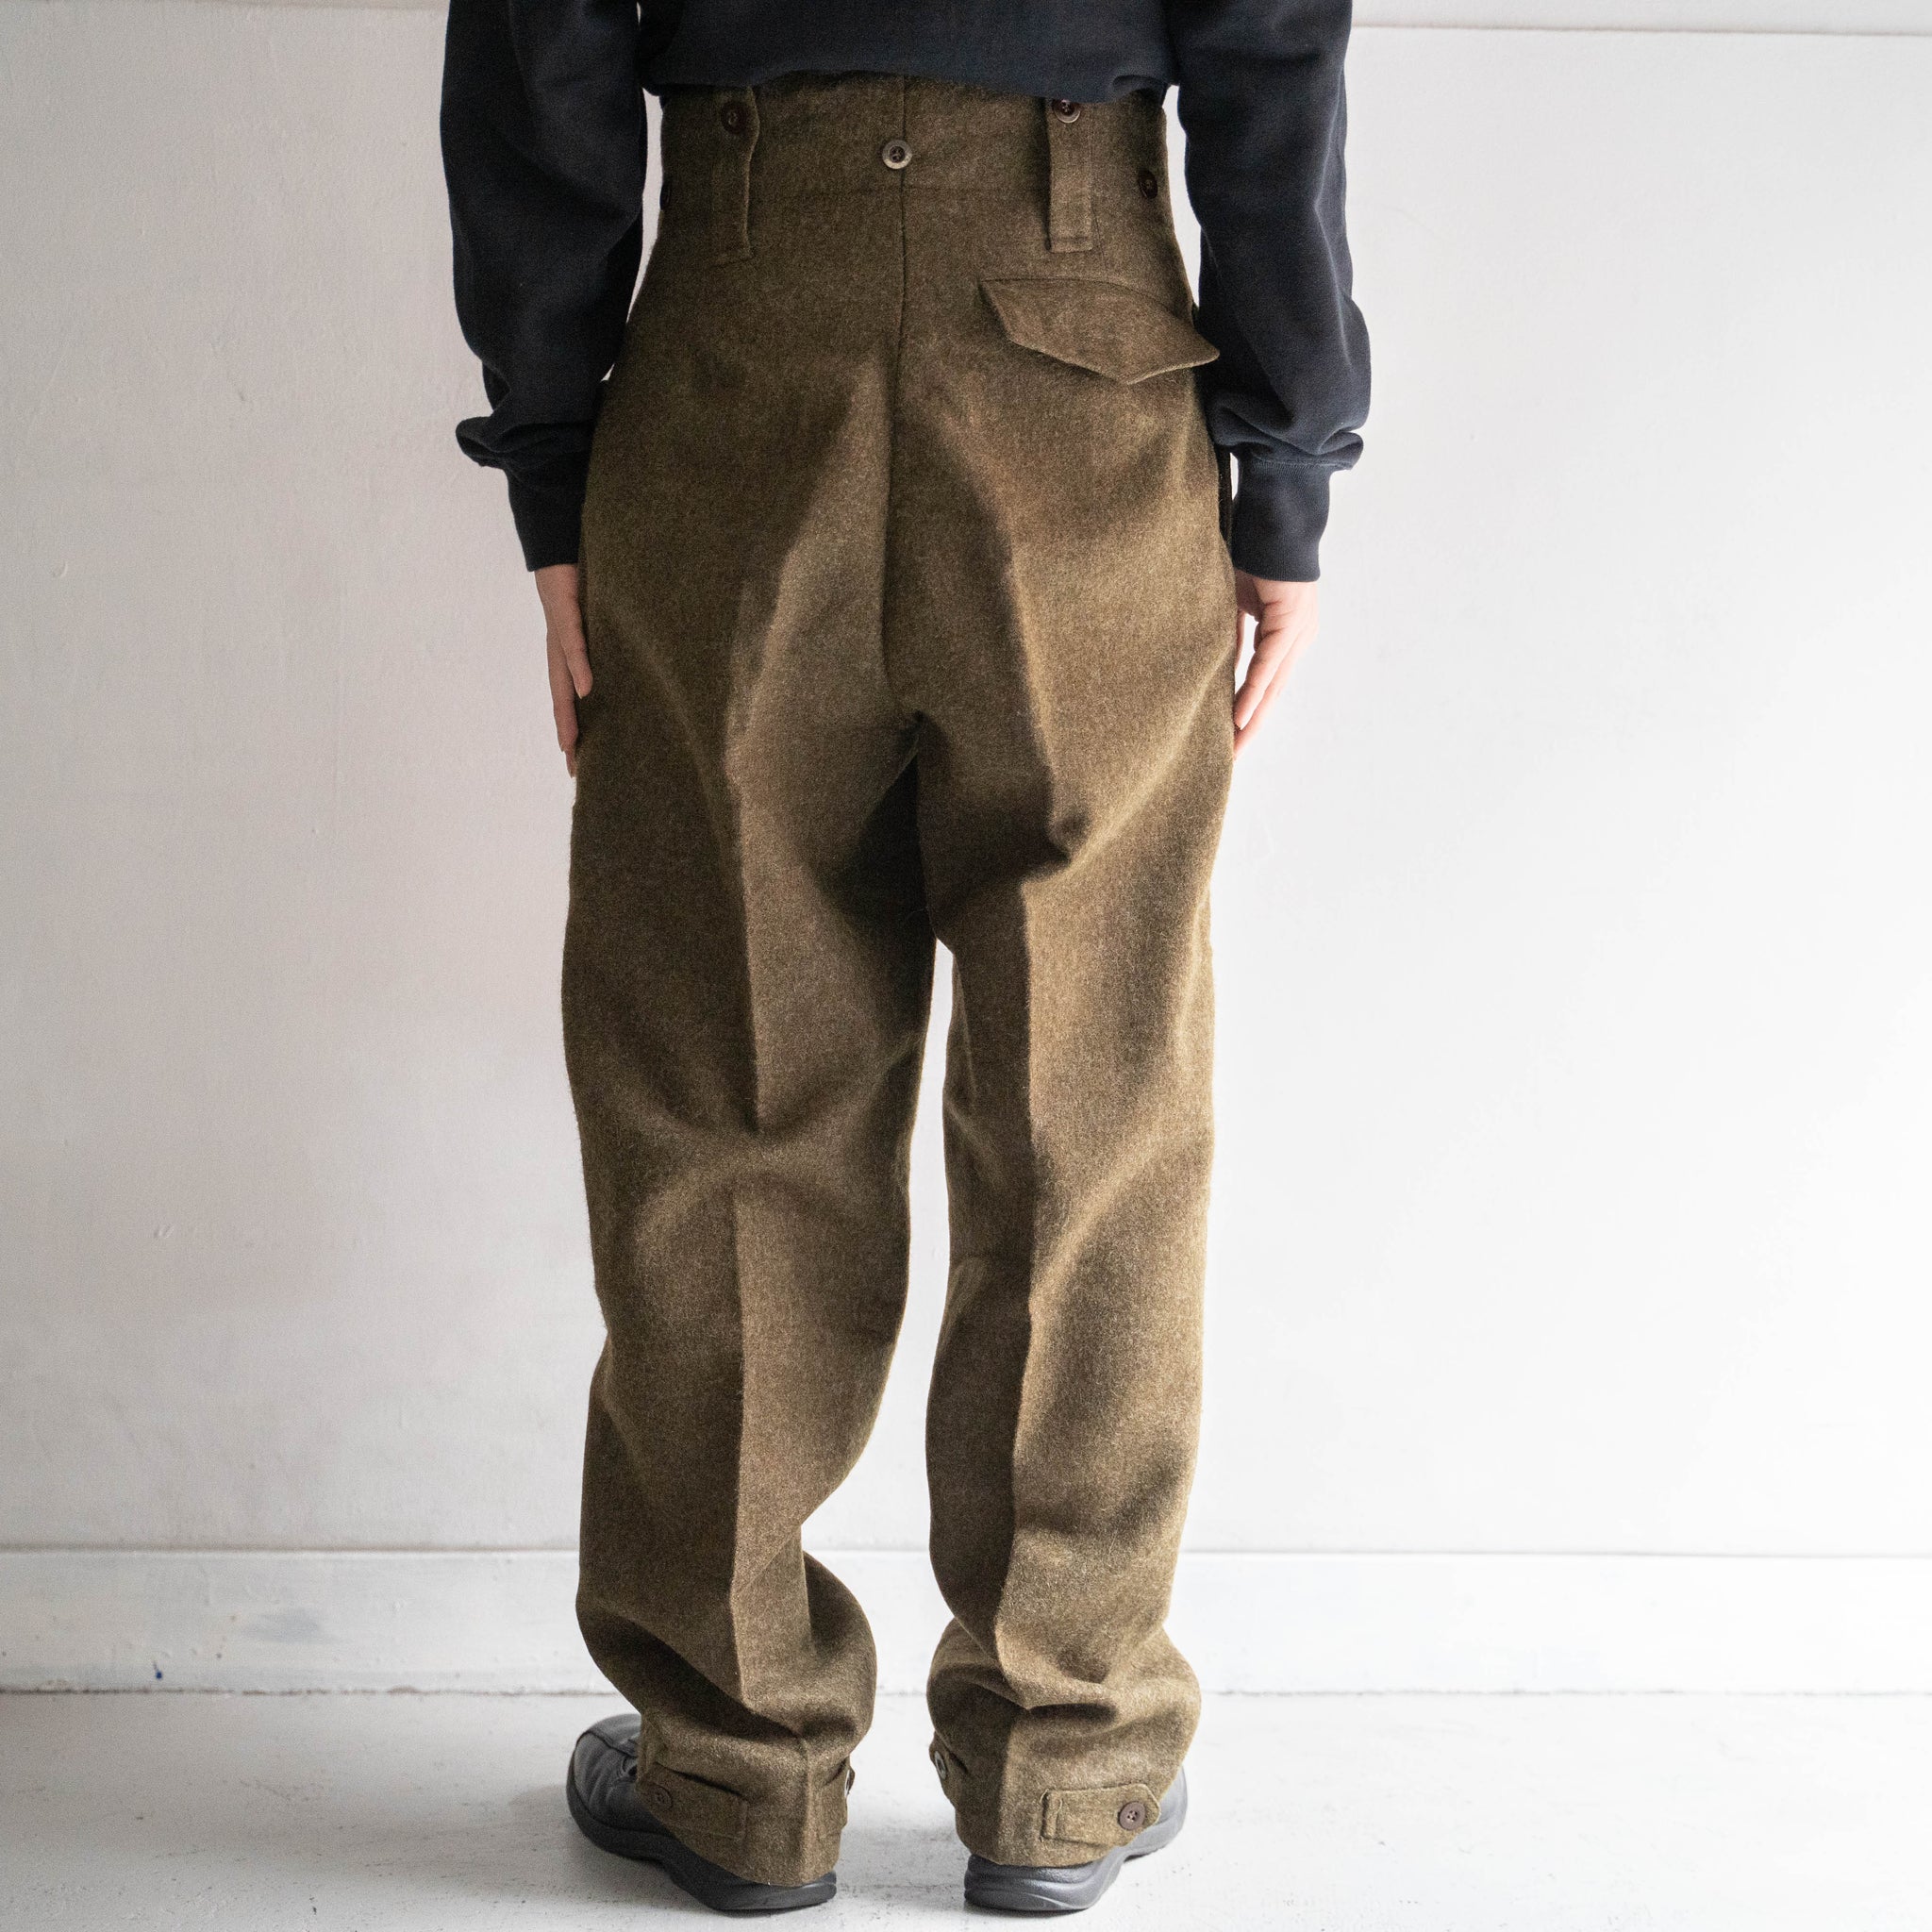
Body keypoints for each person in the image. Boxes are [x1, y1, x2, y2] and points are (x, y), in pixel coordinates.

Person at [440, 1, 1368, 1915]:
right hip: (1083, 353)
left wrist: (554, 449)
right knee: (1089, 1095)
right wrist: (1281, 457)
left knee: (727, 1078)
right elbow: (1268, 37)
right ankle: (1065, 1761)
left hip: (735, 350)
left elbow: (542, 34)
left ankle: (733, 1767)